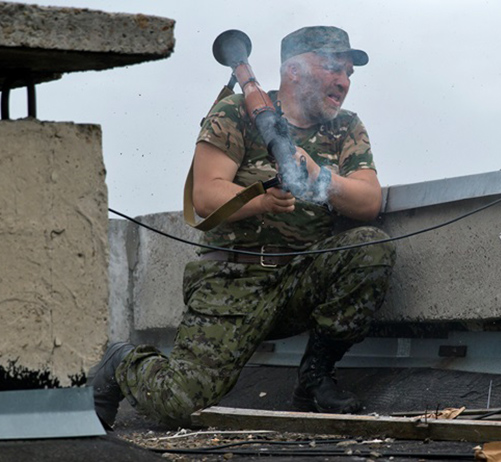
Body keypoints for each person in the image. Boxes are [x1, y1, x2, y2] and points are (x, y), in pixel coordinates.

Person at [87, 25, 396, 428]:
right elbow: (206, 195)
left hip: (300, 277)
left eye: (349, 73)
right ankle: (122, 361)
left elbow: (369, 202)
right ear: (295, 70)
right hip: (232, 277)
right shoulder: (236, 111)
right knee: (179, 405)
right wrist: (262, 199)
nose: (344, 81)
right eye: (333, 68)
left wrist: (320, 174)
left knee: (370, 247)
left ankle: (315, 376)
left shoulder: (346, 127)